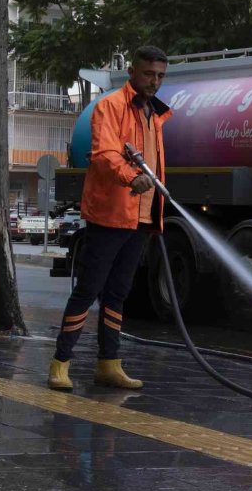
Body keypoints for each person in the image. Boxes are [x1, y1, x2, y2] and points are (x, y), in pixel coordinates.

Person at [48, 45, 172, 391]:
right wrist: (131, 177)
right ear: (132, 71)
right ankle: (60, 363)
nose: (155, 81)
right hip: (111, 214)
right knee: (88, 290)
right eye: (149, 74)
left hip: (142, 217)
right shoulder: (111, 106)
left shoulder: (154, 114)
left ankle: (109, 364)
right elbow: (104, 155)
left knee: (118, 293)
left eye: (160, 76)